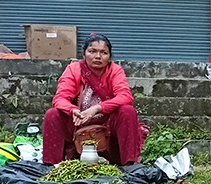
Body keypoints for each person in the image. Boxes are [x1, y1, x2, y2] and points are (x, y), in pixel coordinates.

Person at [42, 34, 144, 165]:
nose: (98, 56)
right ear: (84, 55)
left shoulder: (115, 70)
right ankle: (51, 165)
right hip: (77, 122)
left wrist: (97, 108)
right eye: (92, 51)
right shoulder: (74, 69)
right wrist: (73, 110)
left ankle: (130, 165)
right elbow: (60, 98)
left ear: (109, 57)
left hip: (107, 124)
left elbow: (125, 96)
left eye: (103, 53)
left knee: (127, 111)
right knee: (52, 114)